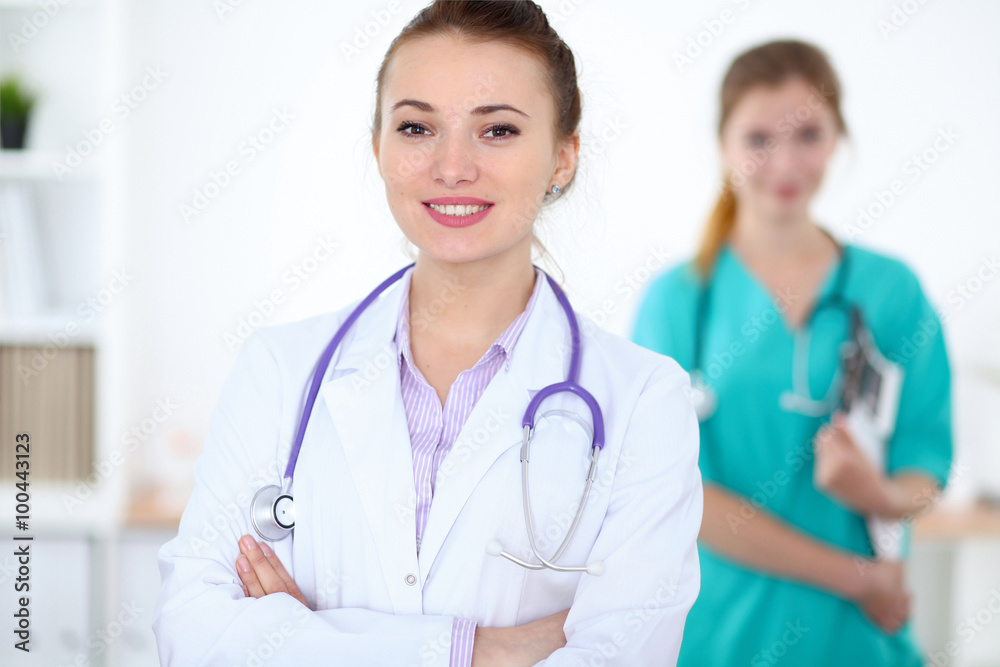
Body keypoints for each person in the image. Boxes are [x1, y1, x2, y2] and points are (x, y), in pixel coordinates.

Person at [153, 2, 702, 665]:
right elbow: (194, 636)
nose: (451, 166)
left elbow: (622, 656)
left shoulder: (644, 401)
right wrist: (478, 649)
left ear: (563, 157)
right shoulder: (278, 371)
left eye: (497, 130)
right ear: (379, 146)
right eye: (416, 127)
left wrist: (308, 639)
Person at [631, 39, 952, 666]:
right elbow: (677, 492)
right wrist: (860, 578)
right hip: (719, 639)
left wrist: (878, 494)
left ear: (839, 139)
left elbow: (925, 461)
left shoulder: (891, 293)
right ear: (723, 146)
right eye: (758, 139)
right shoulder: (677, 301)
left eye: (808, 134)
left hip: (855, 643)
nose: (785, 161)